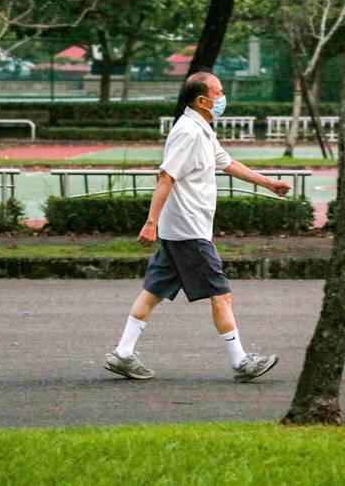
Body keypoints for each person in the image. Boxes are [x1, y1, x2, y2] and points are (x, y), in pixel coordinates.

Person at [104, 71, 292, 382]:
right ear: (203, 100)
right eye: (218, 93)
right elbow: (166, 176)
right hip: (188, 229)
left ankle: (123, 354)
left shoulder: (201, 130)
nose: (223, 98)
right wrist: (150, 222)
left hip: (182, 229)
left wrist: (269, 183)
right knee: (222, 294)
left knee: (153, 292)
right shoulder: (188, 132)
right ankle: (241, 362)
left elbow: (228, 163)